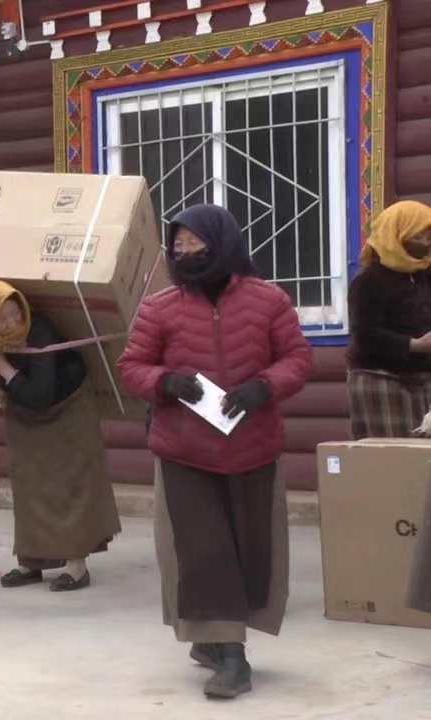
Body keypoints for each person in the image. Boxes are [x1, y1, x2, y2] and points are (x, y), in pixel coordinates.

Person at [117, 205, 311, 699]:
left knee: (251, 549)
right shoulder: (160, 307)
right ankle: (232, 657)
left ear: (222, 243)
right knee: (204, 552)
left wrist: (263, 387)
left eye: (196, 245)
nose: (185, 254)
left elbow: (297, 358)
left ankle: (214, 642)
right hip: (185, 453)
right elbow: (132, 366)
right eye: (178, 246)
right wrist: (166, 382)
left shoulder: (269, 300)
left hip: (253, 449)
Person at [0, 280, 121, 592]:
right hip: (23, 410)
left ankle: (76, 566)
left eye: (15, 313)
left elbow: (41, 394)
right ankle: (32, 562)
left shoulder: (38, 330)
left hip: (66, 406)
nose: (12, 323)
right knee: (29, 484)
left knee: (68, 485)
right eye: (1, 319)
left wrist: (2, 367)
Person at [346, 200, 431, 439]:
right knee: (391, 453)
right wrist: (415, 345)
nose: (426, 242)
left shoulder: (424, 275)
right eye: (419, 235)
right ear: (396, 235)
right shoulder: (369, 282)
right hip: (382, 380)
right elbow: (366, 335)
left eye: (429, 236)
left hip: (422, 377)